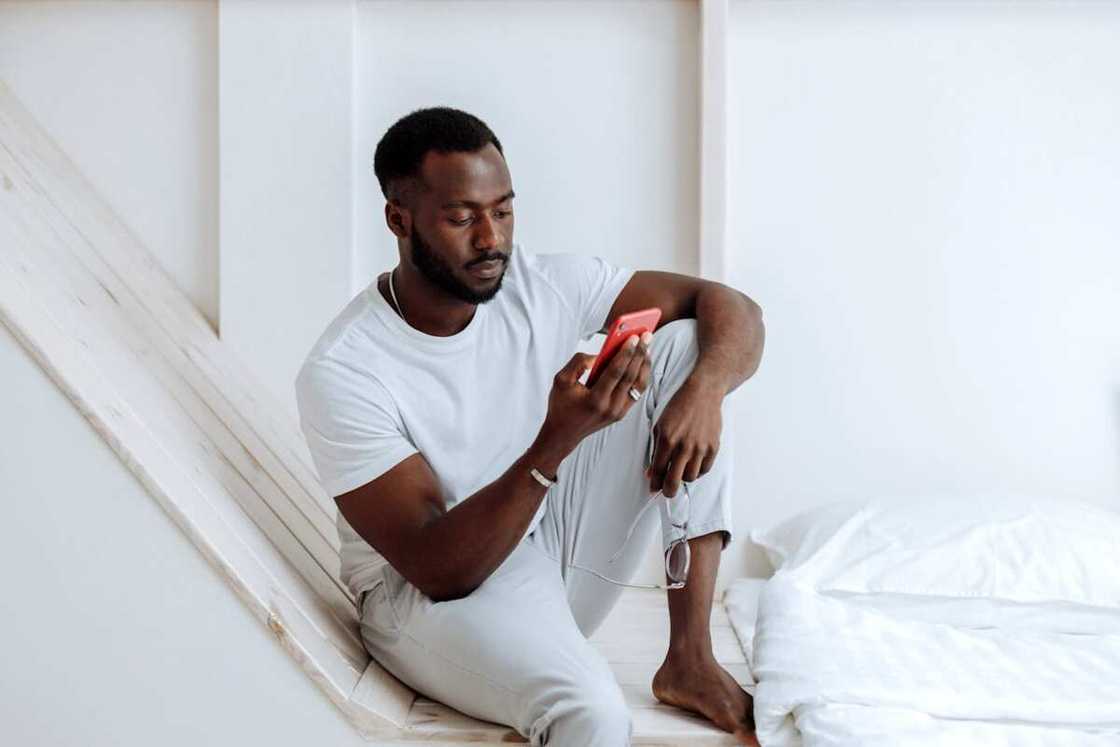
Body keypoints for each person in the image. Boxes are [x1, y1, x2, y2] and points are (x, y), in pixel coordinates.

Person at [294, 106, 765, 745]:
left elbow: (731, 306)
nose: (492, 238)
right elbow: (439, 568)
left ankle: (690, 657)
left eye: (504, 210)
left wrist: (706, 392)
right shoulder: (347, 369)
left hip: (550, 538)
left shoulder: (538, 284)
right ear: (399, 219)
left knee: (686, 347)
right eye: (463, 218)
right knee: (593, 715)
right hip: (433, 599)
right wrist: (558, 439)